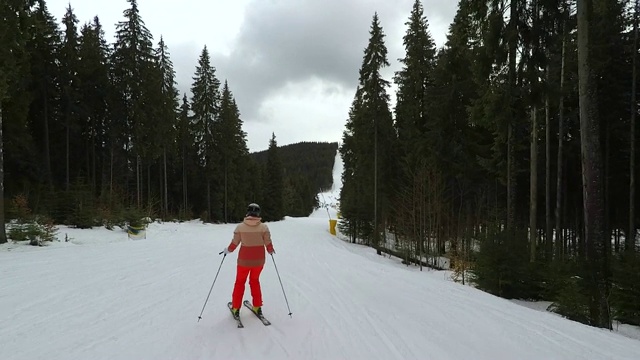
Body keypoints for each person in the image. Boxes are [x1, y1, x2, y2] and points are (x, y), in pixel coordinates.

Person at [222, 203, 274, 317]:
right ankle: (257, 306)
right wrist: (270, 250)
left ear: (248, 212)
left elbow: (234, 243)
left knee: (240, 282)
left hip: (243, 262)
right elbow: (268, 242)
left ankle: (236, 308)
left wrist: (227, 251)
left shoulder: (240, 227)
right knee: (255, 281)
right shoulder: (264, 227)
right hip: (259, 261)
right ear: (258, 214)